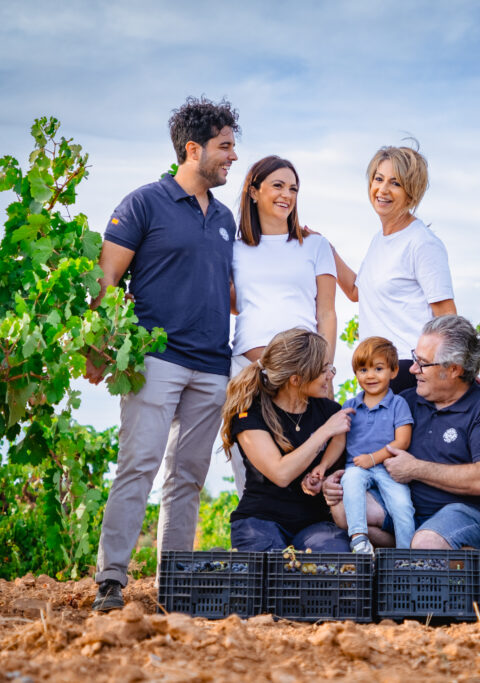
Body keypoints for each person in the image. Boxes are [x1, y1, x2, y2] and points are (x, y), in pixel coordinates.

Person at [86, 96, 239, 612]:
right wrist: (97, 349)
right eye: (224, 147)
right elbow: (106, 279)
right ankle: (111, 578)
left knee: (189, 476)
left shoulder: (224, 219)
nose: (232, 157)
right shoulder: (142, 204)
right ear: (193, 149)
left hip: (213, 365)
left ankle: (175, 584)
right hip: (157, 359)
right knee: (139, 463)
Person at [323, 315, 480, 607]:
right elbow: (366, 443)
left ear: (453, 370)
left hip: (466, 514)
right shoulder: (406, 401)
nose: (413, 369)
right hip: (409, 511)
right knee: (345, 506)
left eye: (422, 363)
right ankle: (404, 567)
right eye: (414, 358)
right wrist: (336, 479)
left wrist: (416, 469)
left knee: (425, 543)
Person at [228, 155, 337, 496]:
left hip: (304, 376)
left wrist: (325, 369)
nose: (286, 195)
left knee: (314, 467)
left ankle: (310, 546)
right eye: (278, 185)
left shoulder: (316, 246)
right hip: (248, 370)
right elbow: (233, 303)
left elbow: (327, 314)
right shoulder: (232, 250)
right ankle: (254, 541)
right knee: (249, 474)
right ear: (253, 190)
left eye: (293, 188)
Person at [330, 144, 457, 394]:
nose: (383, 189)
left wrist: (455, 378)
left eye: (395, 183)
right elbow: (357, 292)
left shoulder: (422, 243)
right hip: (376, 369)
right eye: (379, 179)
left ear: (412, 193)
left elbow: (447, 317)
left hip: (408, 371)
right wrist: (327, 251)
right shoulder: (380, 240)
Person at [222, 328, 353, 551]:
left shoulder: (330, 411)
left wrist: (330, 482)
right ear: (296, 379)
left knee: (333, 560)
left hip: (316, 523)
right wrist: (323, 432)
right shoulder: (250, 413)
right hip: (260, 521)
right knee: (272, 568)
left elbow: (341, 468)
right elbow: (281, 474)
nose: (331, 375)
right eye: (324, 370)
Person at [331, 337, 415, 553]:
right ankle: (359, 537)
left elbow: (402, 441)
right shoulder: (350, 406)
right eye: (363, 369)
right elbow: (339, 442)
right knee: (350, 482)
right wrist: (322, 468)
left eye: (378, 369)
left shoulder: (398, 404)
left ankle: (407, 555)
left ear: (393, 371)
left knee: (402, 506)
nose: (370, 375)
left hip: (388, 467)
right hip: (357, 467)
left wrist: (373, 458)